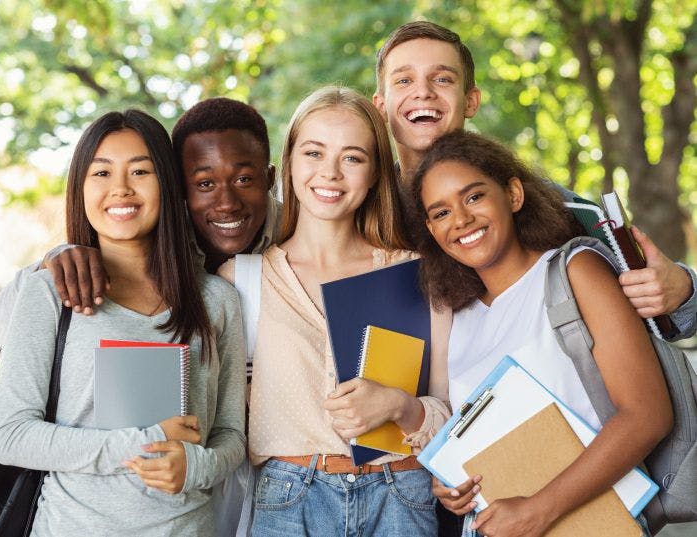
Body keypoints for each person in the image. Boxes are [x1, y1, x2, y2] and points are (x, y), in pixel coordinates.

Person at [0, 110, 246, 535]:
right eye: (102, 172)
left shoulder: (217, 300)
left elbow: (231, 434)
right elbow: (12, 435)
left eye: (140, 171)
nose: (120, 189)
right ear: (81, 187)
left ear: (167, 183)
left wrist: (197, 465)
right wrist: (144, 442)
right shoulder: (50, 293)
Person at [411, 130, 672, 537]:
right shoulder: (459, 316)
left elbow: (647, 415)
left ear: (513, 195)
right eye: (441, 212)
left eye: (474, 197)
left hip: (590, 525)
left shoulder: (575, 270)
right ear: (431, 229)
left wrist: (538, 510)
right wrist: (451, 485)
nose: (461, 220)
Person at [218, 86, 452, 536]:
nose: (330, 173)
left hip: (400, 497)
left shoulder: (417, 275)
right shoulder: (242, 281)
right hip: (288, 501)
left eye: (352, 158)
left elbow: (452, 412)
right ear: (288, 162)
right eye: (314, 153)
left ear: (374, 173)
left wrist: (401, 407)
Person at [372, 20, 696, 339]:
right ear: (380, 106)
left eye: (442, 78)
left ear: (471, 101)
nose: (423, 92)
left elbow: (653, 319)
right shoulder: (362, 213)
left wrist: (682, 289)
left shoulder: (552, 205)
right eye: (403, 81)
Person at [0, 97, 280, 350]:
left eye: (243, 180)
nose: (227, 203)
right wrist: (51, 260)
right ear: (177, 186)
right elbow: (5, 335)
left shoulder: (298, 235)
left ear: (269, 178)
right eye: (204, 183)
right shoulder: (153, 242)